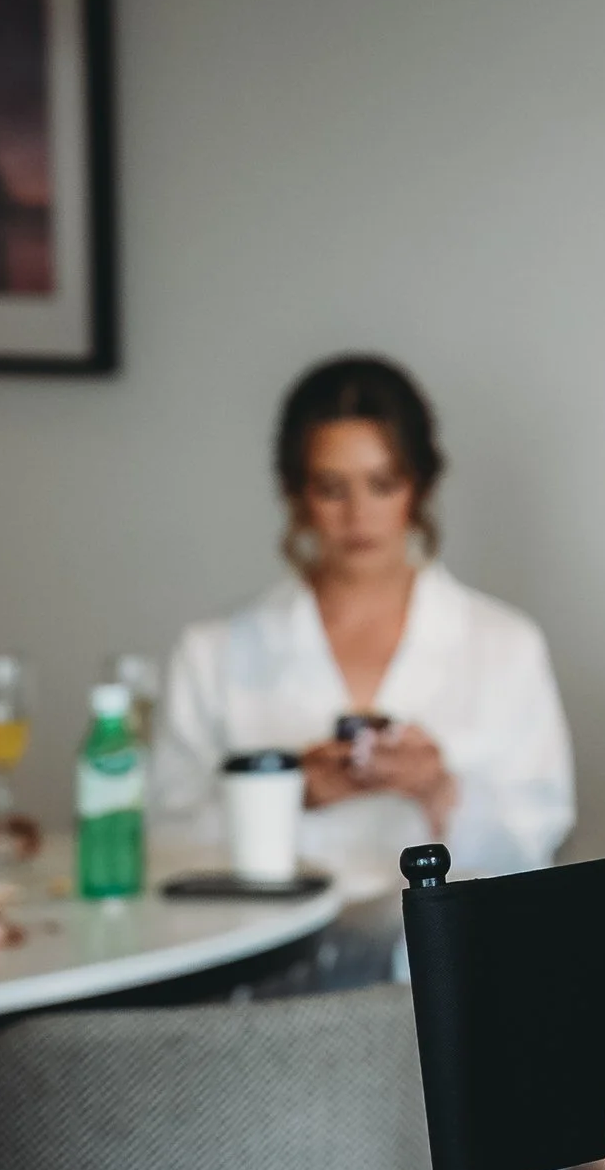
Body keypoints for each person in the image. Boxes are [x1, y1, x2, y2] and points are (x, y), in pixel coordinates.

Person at [154, 354, 575, 909]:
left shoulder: (505, 646)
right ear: (296, 493)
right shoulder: (211, 653)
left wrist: (439, 790)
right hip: (269, 972)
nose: (358, 515)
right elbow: (162, 843)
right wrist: (289, 795)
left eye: (382, 483)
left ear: (419, 486)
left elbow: (536, 844)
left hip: (443, 975)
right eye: (332, 488)